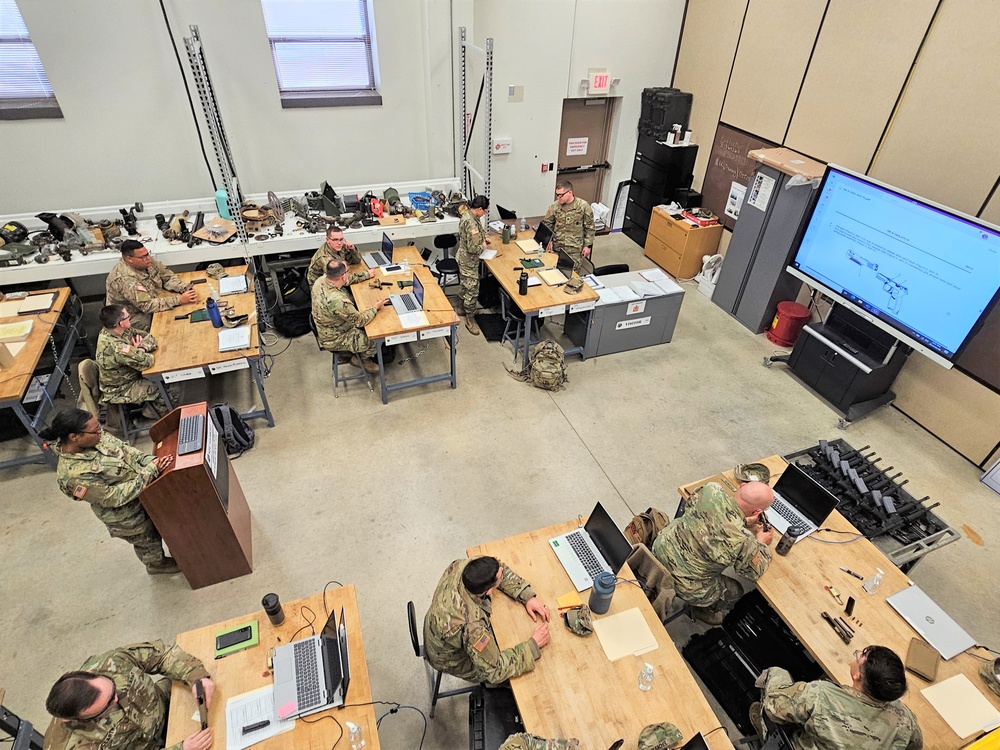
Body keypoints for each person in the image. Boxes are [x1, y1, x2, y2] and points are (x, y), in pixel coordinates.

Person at [39, 409, 180, 575]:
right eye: (95, 430)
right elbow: (112, 497)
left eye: (99, 426)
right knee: (149, 541)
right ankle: (157, 565)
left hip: (145, 491)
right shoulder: (73, 476)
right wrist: (150, 472)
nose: (100, 432)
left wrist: (151, 461)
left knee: (167, 525)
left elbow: (126, 450)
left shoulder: (94, 436)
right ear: (74, 437)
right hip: (127, 514)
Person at [43, 640, 215, 750]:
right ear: (73, 719)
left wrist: (196, 677)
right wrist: (181, 748)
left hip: (167, 706)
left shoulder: (109, 663)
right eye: (107, 706)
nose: (117, 698)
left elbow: (161, 656)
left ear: (90, 672)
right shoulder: (74, 746)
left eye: (112, 688)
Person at [752, 645, 922, 750]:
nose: (856, 657)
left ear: (857, 675)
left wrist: (774, 676)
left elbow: (774, 708)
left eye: (860, 656)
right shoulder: (905, 719)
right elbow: (915, 745)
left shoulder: (821, 694)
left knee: (777, 677)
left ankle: (766, 730)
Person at [652, 480, 774, 624]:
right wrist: (761, 542)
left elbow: (693, 505)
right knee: (735, 592)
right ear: (757, 512)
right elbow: (752, 572)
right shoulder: (745, 541)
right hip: (685, 585)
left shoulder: (711, 490)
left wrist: (743, 521)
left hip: (660, 550)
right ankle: (702, 611)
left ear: (742, 486)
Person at [424, 556, 551, 685]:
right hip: (447, 658)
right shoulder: (472, 628)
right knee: (519, 682)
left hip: (436, 627)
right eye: (501, 576)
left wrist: (527, 596)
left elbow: (497, 568)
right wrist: (532, 646)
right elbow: (495, 671)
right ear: (489, 591)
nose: (503, 570)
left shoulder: (460, 567)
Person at [311, 259, 388, 374]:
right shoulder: (338, 301)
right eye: (348, 271)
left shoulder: (321, 280)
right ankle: (361, 359)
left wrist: (366, 275)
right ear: (343, 276)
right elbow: (360, 321)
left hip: (326, 326)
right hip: (335, 338)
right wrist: (375, 308)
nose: (349, 273)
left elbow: (348, 280)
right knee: (374, 338)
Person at [105, 240, 198, 332]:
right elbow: (147, 306)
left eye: (147, 254)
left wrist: (183, 288)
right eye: (143, 257)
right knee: (167, 328)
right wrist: (179, 300)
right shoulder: (125, 279)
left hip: (154, 299)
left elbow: (167, 277)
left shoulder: (146, 261)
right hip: (131, 316)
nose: (148, 258)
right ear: (129, 259)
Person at [95, 304, 169, 419]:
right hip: (122, 388)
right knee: (167, 385)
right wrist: (138, 350)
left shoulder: (118, 330)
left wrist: (140, 349)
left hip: (131, 374)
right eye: (127, 317)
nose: (130, 318)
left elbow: (149, 337)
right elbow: (147, 361)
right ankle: (155, 413)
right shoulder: (116, 347)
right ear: (120, 323)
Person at [540, 181, 594, 273]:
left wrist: (587, 245)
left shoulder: (583, 206)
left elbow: (590, 227)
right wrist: (548, 240)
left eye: (561, 195)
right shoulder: (554, 207)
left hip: (574, 249)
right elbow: (547, 224)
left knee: (572, 275)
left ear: (570, 192)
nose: (558, 197)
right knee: (554, 273)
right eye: (557, 195)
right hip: (557, 247)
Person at [457, 195, 491, 335]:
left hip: (465, 259)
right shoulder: (470, 223)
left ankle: (461, 308)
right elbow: (472, 248)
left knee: (465, 285)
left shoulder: (468, 214)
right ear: (479, 209)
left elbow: (477, 233)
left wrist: (484, 238)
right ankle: (470, 320)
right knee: (472, 290)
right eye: (485, 211)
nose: (485, 213)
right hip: (468, 261)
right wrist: (483, 246)